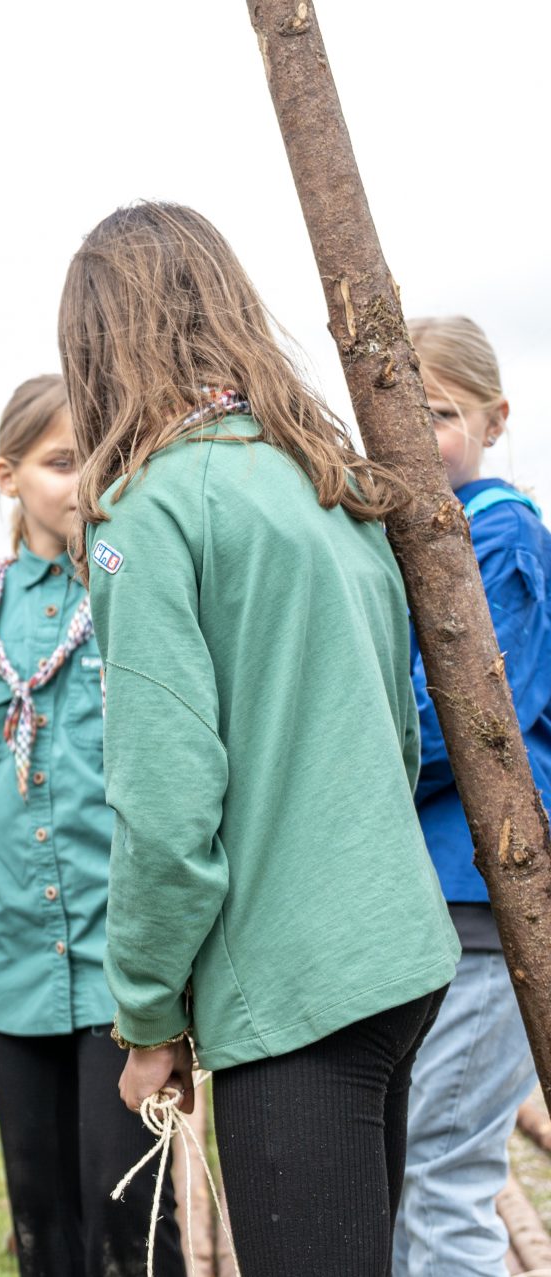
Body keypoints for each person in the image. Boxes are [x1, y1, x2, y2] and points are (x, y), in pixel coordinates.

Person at [64, 202, 459, 1276]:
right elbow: (398, 733)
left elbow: (166, 805)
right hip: (398, 949)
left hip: (298, 985)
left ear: (95, 346)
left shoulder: (148, 512)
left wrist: (149, 1014)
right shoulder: (325, 482)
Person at [0, 374, 182, 1276]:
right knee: (39, 1214)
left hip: (124, 970)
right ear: (7, 475)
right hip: (11, 965)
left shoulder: (141, 595)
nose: (85, 479)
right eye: (61, 461)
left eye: (103, 456)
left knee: (131, 1212)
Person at [394, 316, 551, 1277]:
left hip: (483, 894)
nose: (418, 435)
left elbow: (475, 709)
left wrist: (343, 762)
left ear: (497, 418)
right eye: (398, 414)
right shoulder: (409, 535)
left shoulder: (502, 534)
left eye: (441, 413)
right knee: (415, 1162)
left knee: (443, 1170)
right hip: (428, 896)